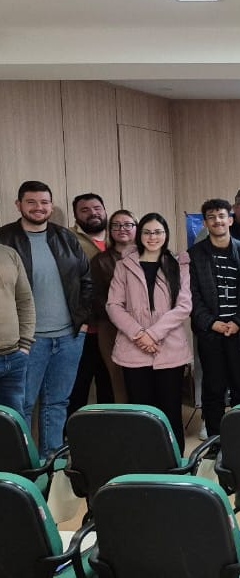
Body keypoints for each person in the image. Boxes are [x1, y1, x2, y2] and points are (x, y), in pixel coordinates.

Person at [0, 181, 92, 457]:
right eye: (31, 202)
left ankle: (52, 458)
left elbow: (86, 280)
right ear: (19, 205)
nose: (38, 208)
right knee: (23, 404)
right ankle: (24, 461)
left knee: (58, 402)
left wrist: (82, 321)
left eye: (44, 202)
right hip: (27, 340)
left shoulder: (66, 237)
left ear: (51, 206)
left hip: (69, 337)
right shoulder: (4, 240)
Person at [105, 213, 192, 449]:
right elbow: (113, 305)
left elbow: (184, 306)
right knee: (142, 410)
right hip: (134, 350)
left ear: (165, 235)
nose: (152, 237)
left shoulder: (178, 264)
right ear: (139, 235)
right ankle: (146, 460)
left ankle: (176, 463)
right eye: (147, 232)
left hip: (170, 348)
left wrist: (152, 334)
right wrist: (139, 334)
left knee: (171, 409)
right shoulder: (124, 266)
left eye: (158, 232)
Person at [187, 199, 240, 440]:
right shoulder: (194, 254)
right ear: (205, 222)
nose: (217, 220)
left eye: (222, 216)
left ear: (230, 219)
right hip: (210, 332)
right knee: (213, 387)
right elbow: (191, 295)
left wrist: (239, 321)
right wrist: (210, 323)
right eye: (212, 217)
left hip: (239, 331)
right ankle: (215, 437)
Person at [68, 193, 115, 414]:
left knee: (111, 385)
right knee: (78, 387)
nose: (93, 213)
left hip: (115, 328)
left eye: (97, 208)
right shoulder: (67, 240)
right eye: (84, 210)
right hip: (83, 330)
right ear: (76, 216)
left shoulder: (119, 238)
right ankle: (71, 439)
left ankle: (109, 434)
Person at [89, 210, 139, 405]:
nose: (122, 229)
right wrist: (123, 318)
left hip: (147, 327)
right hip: (112, 329)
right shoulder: (100, 261)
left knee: (146, 379)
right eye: (116, 225)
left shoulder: (150, 256)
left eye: (128, 224)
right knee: (119, 380)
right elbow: (96, 297)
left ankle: (151, 426)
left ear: (137, 227)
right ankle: (127, 427)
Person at [0, 245, 34, 412]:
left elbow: (25, 300)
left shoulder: (9, 254)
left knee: (13, 425)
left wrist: (25, 345)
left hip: (14, 357)